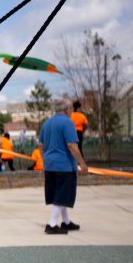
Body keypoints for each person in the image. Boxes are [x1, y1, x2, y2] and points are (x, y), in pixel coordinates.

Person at [39, 99, 89, 234]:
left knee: (58, 193)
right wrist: (82, 163)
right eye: (71, 109)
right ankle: (52, 224)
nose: (72, 112)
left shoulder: (47, 123)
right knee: (63, 194)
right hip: (64, 165)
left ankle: (66, 222)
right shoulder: (67, 122)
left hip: (50, 164)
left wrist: (45, 161)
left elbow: (41, 145)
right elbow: (72, 145)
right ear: (66, 109)